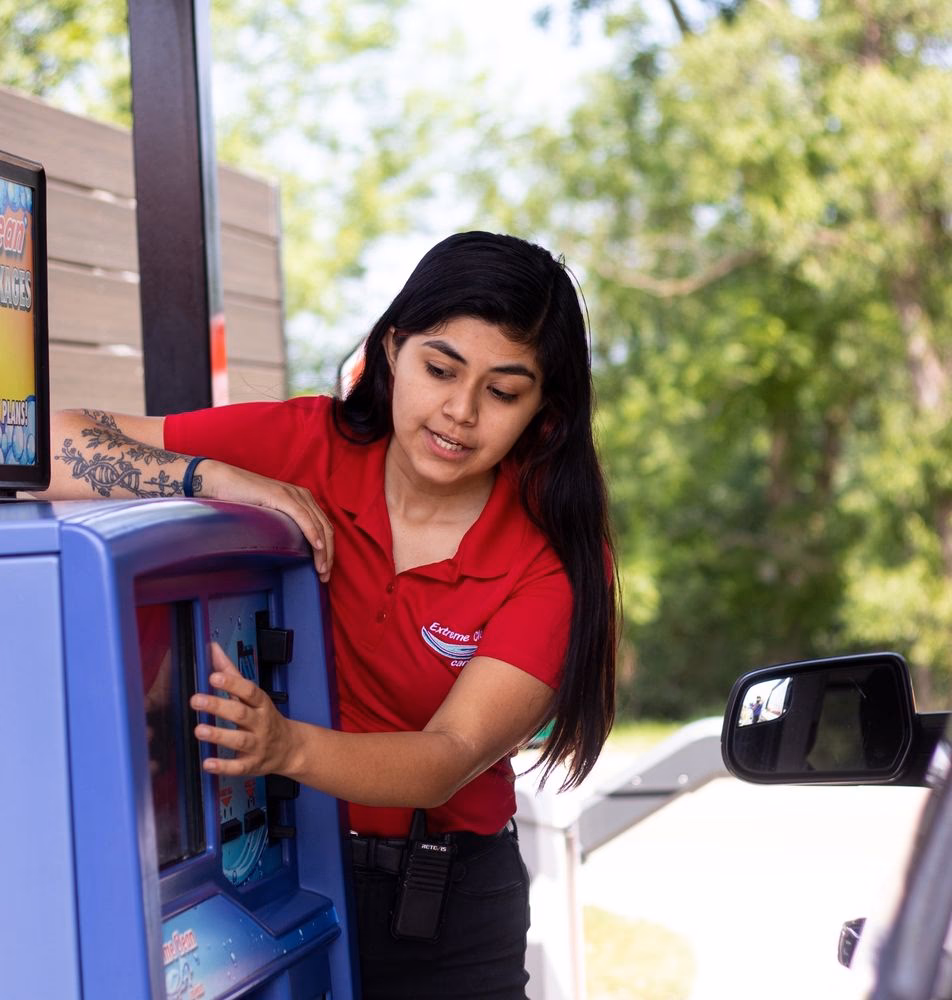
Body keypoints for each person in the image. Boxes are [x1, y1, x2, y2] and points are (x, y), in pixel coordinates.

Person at [41, 230, 619, 999]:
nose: (459, 411)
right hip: (273, 874)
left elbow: (447, 754)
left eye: (503, 391)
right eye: (439, 369)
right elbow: (46, 443)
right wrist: (212, 476)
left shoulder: (552, 562)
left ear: (543, 412)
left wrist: (285, 746)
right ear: (390, 349)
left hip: (442, 915)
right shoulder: (307, 441)